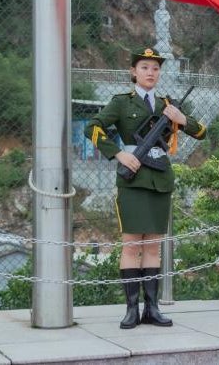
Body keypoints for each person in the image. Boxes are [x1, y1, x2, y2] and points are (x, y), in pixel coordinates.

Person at [85, 47, 207, 329]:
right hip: (134, 178)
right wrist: (118, 154)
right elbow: (92, 127)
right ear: (133, 72)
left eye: (155, 68)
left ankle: (151, 308)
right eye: (144, 68)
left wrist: (181, 120)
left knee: (153, 246)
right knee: (131, 245)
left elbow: (201, 132)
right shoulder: (122, 103)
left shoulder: (167, 104)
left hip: (160, 179)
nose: (151, 73)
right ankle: (131, 309)